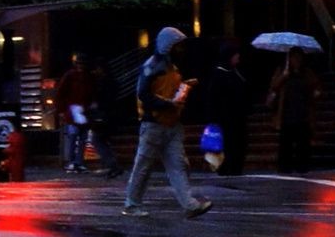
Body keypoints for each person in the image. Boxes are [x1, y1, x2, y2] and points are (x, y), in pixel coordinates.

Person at [123, 26, 211, 218]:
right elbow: (143, 94)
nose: (181, 49)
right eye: (177, 45)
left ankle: (189, 205)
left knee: (177, 165)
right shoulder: (153, 66)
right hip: (155, 123)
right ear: (168, 46)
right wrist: (168, 103)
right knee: (146, 166)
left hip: (169, 123)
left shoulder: (168, 67)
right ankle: (132, 204)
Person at [55, 53, 118, 176]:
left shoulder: (81, 77)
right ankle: (75, 161)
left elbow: (62, 93)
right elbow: (62, 93)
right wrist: (62, 110)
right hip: (76, 109)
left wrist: (62, 110)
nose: (81, 66)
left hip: (78, 109)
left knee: (79, 137)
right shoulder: (76, 76)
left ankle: (76, 161)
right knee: (76, 136)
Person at [197, 42, 251, 176]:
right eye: (235, 54)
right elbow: (213, 99)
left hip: (237, 118)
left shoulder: (236, 72)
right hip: (225, 120)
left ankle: (235, 168)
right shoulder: (219, 74)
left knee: (238, 145)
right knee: (229, 145)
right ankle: (226, 168)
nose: (238, 56)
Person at [269, 47, 319, 174]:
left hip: (302, 113)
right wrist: (284, 76)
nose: (296, 61)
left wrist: (315, 93)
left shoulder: (307, 73)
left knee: (303, 143)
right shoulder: (283, 71)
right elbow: (274, 87)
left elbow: (315, 87)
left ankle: (302, 166)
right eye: (293, 58)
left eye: (298, 58)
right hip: (286, 113)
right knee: (286, 143)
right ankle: (285, 167)